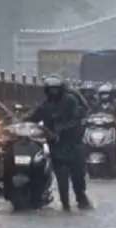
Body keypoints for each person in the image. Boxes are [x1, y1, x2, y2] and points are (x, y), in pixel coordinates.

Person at [29, 76, 92, 211]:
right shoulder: (45, 106)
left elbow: (77, 117)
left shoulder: (70, 101)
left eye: (56, 89)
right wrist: (15, 123)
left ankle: (81, 199)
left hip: (74, 144)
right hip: (57, 147)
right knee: (61, 179)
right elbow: (32, 118)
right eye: (50, 90)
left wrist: (61, 129)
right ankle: (65, 205)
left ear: (61, 89)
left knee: (78, 179)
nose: (53, 92)